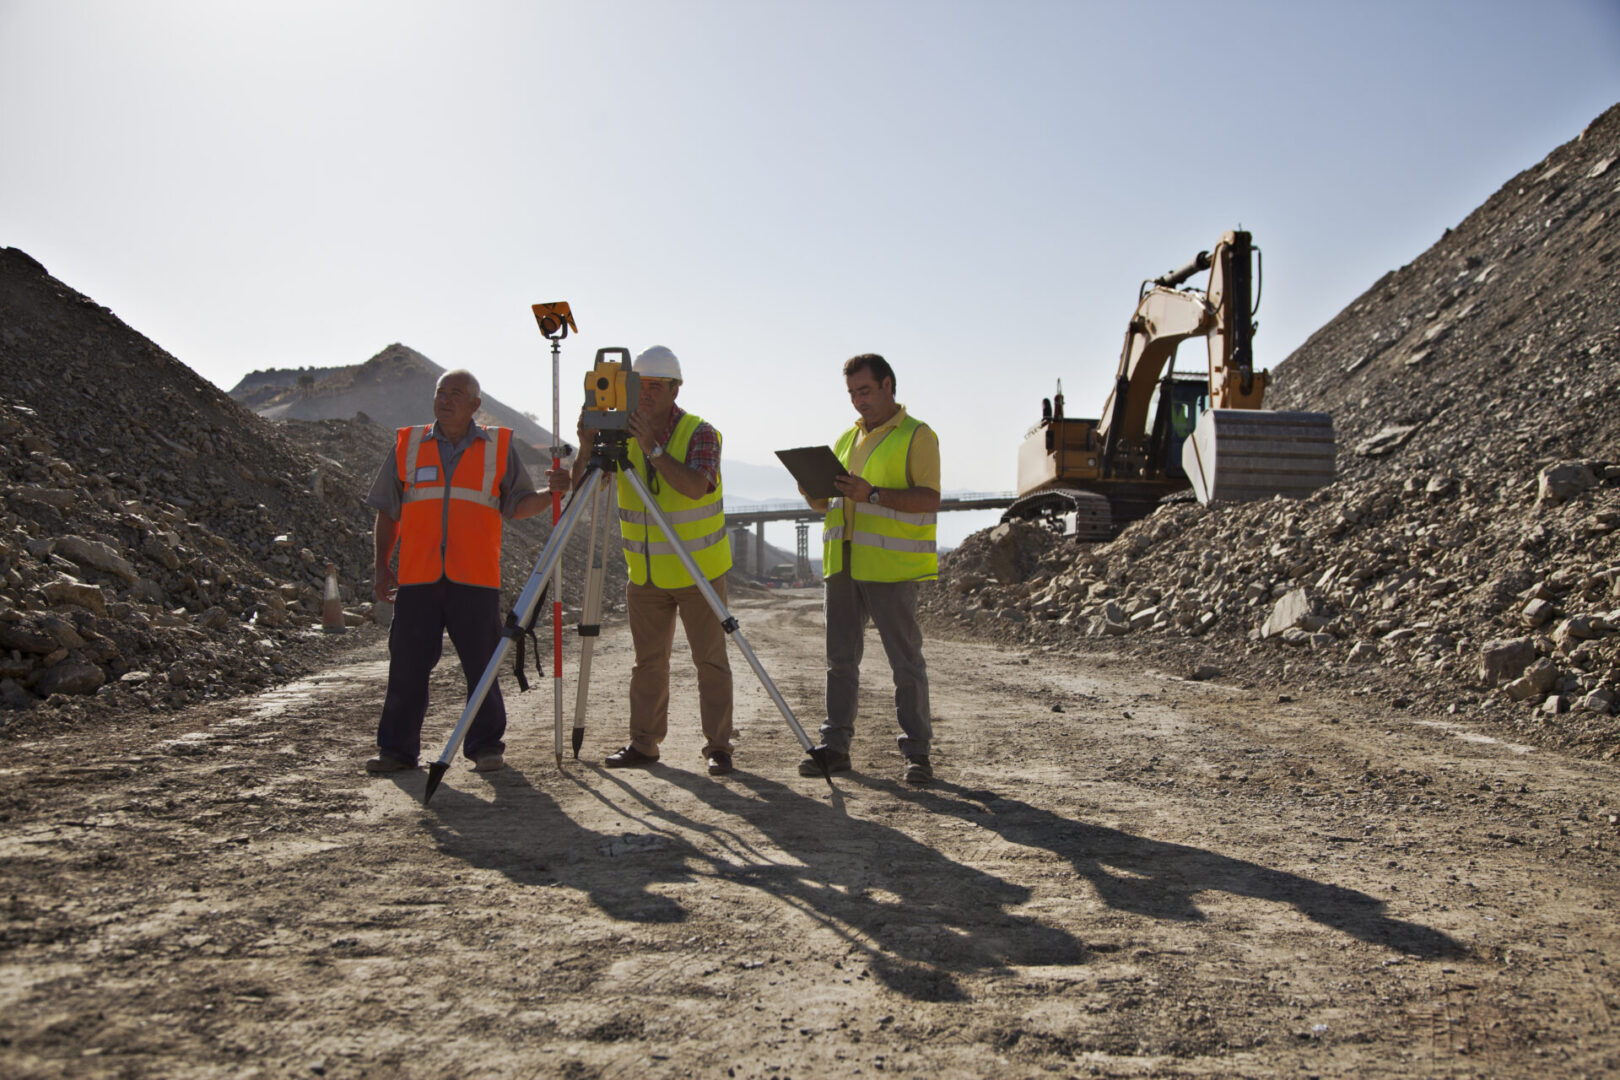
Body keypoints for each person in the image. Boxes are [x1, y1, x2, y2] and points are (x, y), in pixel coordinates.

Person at [363, 369, 553, 774]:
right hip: (418, 579)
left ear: (474, 405)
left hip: (475, 579)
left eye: (455, 394)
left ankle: (486, 747)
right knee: (407, 668)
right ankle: (396, 751)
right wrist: (382, 565)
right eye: (440, 392)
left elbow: (518, 505)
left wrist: (553, 494)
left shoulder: (498, 447)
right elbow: (388, 511)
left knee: (482, 666)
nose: (445, 399)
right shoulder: (409, 444)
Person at [567, 345, 737, 776]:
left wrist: (653, 449)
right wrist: (587, 446)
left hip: (698, 570)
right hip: (644, 575)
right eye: (640, 385)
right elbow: (585, 491)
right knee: (647, 664)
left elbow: (697, 487)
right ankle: (643, 744)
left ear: (675, 389)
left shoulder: (701, 432)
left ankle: (719, 746)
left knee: (710, 662)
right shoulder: (619, 434)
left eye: (657, 386)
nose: (646, 395)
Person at [799, 354, 940, 784]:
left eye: (864, 391)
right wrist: (811, 490)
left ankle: (917, 754)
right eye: (852, 394)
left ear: (887, 385)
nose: (858, 401)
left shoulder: (918, 435)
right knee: (839, 660)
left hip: (890, 567)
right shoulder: (846, 439)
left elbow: (929, 499)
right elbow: (831, 503)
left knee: (905, 662)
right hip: (842, 564)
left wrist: (873, 494)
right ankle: (835, 747)